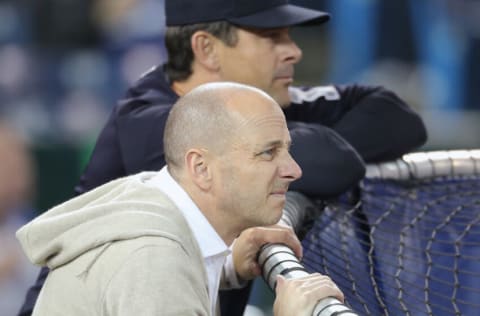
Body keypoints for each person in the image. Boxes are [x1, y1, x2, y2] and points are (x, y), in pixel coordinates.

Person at [18, 0, 428, 315]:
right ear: (207, 49)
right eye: (271, 37)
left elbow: (399, 120)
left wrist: (226, 268)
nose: (293, 52)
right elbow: (332, 161)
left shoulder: (253, 104)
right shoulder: (156, 124)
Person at [16, 82, 345, 316]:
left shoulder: (149, 198)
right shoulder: (153, 263)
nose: (293, 170)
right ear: (201, 168)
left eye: (287, 150)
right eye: (268, 152)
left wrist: (222, 267)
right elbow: (154, 279)